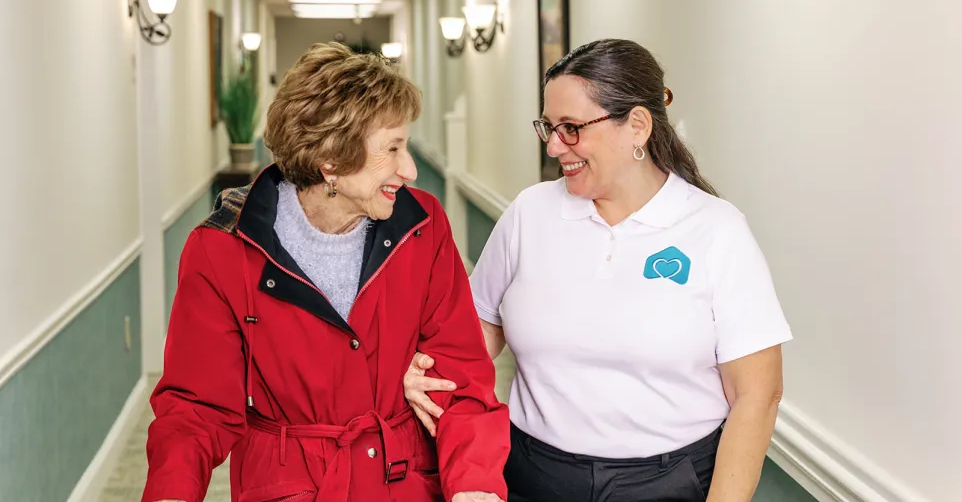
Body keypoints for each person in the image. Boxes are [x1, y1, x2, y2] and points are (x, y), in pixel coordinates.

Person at [404, 38, 793, 502]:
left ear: (638, 126)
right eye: (548, 127)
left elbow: (757, 395)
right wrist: (420, 373)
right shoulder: (530, 214)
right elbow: (475, 332)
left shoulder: (716, 230)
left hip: (670, 482)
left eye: (571, 128)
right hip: (531, 474)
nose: (554, 146)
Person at [142, 42, 509, 502]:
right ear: (331, 160)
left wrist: (476, 486)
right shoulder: (222, 249)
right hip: (289, 487)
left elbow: (460, 379)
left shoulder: (422, 226)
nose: (410, 169)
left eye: (406, 145)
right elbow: (195, 408)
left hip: (404, 482)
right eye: (391, 148)